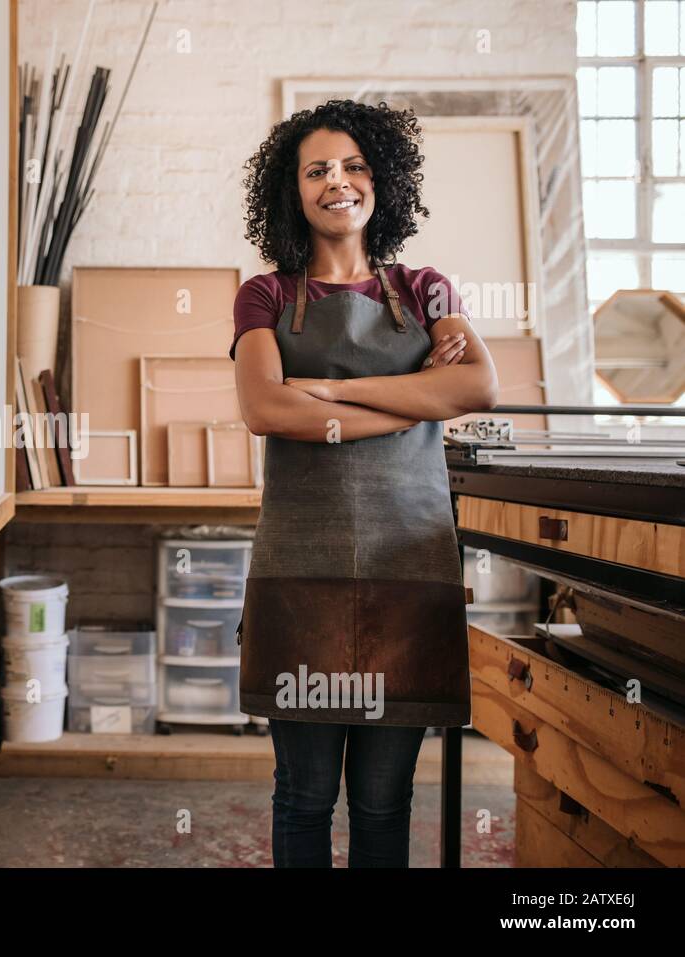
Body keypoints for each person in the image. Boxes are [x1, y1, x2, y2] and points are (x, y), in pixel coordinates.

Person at [230, 99, 499, 867]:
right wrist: (412, 393)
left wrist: (326, 391)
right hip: (299, 575)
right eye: (316, 170)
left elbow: (477, 386)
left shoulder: (427, 289)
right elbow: (262, 408)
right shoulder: (267, 296)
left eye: (352, 165)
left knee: (384, 805)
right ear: (294, 189)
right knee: (304, 799)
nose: (336, 181)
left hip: (406, 575)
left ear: (381, 180)